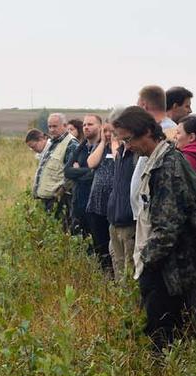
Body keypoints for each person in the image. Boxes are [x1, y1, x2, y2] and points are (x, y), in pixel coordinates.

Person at [113, 106, 196, 357]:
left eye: (128, 139)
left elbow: (168, 227)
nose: (126, 146)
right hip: (166, 266)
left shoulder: (168, 166)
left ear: (147, 132)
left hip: (173, 270)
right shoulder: (160, 159)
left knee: (164, 335)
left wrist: (146, 263)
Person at [105, 110, 140, 281]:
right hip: (115, 219)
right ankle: (121, 303)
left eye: (116, 130)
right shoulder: (120, 152)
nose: (114, 135)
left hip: (129, 222)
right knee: (118, 265)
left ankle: (131, 306)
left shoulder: (137, 154)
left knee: (130, 269)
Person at [32, 113, 78, 228]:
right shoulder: (53, 143)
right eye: (49, 127)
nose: (51, 130)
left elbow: (72, 174)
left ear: (65, 125)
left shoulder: (71, 144)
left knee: (60, 232)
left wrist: (60, 192)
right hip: (46, 199)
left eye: (55, 126)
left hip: (59, 200)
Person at [85, 120, 117, 272]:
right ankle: (104, 271)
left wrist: (115, 142)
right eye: (105, 131)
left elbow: (118, 159)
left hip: (113, 204)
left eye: (111, 131)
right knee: (99, 241)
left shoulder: (122, 149)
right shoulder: (100, 148)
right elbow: (91, 163)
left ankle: (112, 271)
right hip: (97, 201)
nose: (108, 134)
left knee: (112, 244)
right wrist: (103, 143)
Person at [64, 114, 101, 236]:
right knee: (79, 239)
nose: (86, 127)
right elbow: (67, 171)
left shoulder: (103, 148)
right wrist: (88, 171)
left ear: (100, 127)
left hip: (95, 205)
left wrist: (78, 172)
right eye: (84, 124)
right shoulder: (82, 147)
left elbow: (97, 175)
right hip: (78, 202)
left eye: (90, 124)